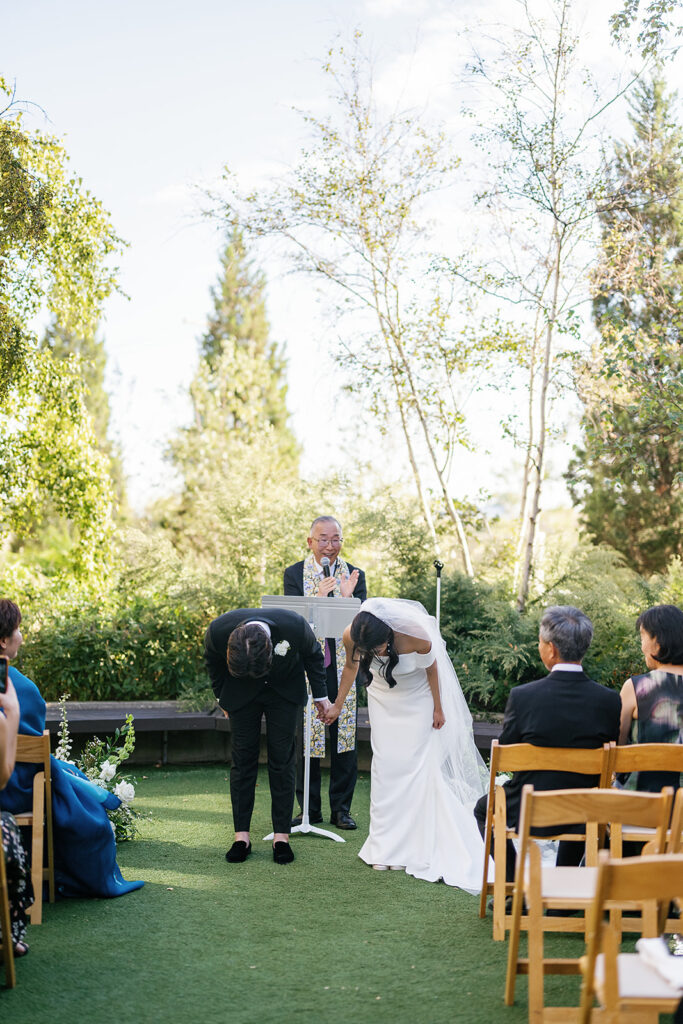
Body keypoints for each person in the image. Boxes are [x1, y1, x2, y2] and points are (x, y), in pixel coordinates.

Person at [325, 597, 488, 888]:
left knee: (416, 769)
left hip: (418, 700)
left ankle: (414, 845)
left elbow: (432, 670)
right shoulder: (352, 634)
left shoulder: (415, 635)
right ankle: (384, 847)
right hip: (383, 701)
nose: (375, 653)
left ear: (389, 633)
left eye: (378, 648)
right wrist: (337, 705)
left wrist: (438, 708)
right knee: (386, 769)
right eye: (370, 651)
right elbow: (350, 669)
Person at [0, 600, 144, 899]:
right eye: (18, 630)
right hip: (15, 792)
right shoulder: (22, 690)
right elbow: (27, 755)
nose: (21, 636)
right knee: (68, 789)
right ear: (4, 640)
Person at [473, 605, 621, 881]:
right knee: (578, 800)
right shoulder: (609, 700)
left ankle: (514, 883)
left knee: (484, 809)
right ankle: (563, 889)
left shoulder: (524, 696)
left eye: (540, 642)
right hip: (584, 809)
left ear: (551, 649)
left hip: (528, 806)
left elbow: (506, 752)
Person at [205, 607, 330, 864]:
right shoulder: (217, 631)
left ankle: (281, 837)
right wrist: (222, 697)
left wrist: (321, 697)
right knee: (242, 760)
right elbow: (213, 663)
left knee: (282, 759)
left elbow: (314, 656)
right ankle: (242, 837)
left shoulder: (294, 625)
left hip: (283, 694)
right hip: (240, 695)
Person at [284, 515, 366, 830]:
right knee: (306, 739)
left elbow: (364, 625)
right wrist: (318, 599)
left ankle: (341, 810)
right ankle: (308, 810)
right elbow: (292, 622)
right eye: (323, 539)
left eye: (336, 539)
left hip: (344, 666)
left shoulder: (355, 574)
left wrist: (346, 599)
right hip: (308, 668)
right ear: (310, 542)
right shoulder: (294, 574)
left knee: (344, 741)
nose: (330, 546)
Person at [619, 603, 683, 792]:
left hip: (644, 806)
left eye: (642, 636)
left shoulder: (636, 688)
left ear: (658, 641)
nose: (642, 646)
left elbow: (618, 752)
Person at [0, 670, 33, 958]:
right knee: (6, 827)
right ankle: (7, 934)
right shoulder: (23, 690)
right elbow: (2, 778)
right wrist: (11, 713)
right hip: (13, 800)